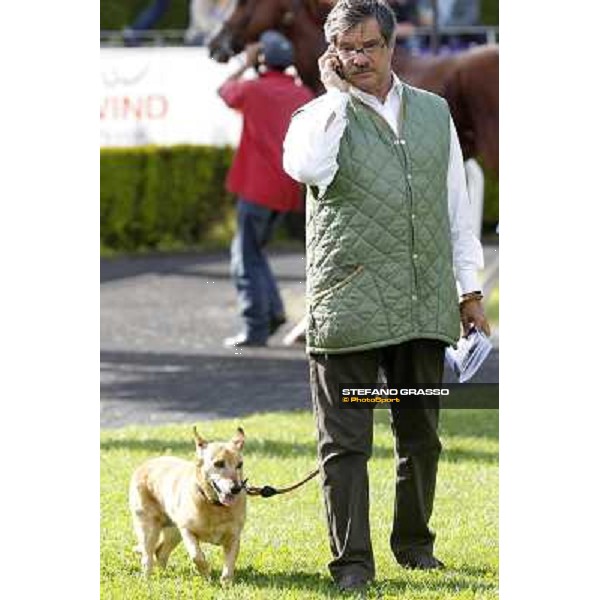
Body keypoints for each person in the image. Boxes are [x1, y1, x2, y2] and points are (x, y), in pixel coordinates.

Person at [283, 0, 489, 592]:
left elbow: (455, 206)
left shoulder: (433, 113)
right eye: (346, 48)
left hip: (423, 308)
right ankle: (351, 564)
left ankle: (415, 546)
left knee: (420, 436)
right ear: (331, 52)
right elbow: (304, 168)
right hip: (347, 308)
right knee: (346, 444)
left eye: (368, 46)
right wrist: (334, 98)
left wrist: (469, 290)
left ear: (391, 46)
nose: (358, 58)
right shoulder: (316, 116)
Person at [218, 31, 314, 347]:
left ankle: (255, 326)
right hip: (287, 191)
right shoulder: (303, 95)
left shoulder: (253, 89)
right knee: (254, 253)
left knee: (244, 258)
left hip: (257, 189)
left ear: (262, 59)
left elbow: (223, 90)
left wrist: (244, 63)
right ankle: (272, 312)